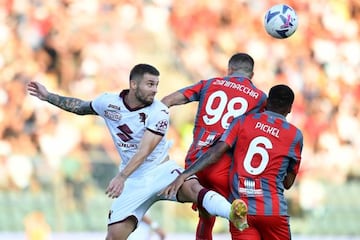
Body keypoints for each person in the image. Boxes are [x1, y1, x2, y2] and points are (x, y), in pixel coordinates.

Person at [27, 63, 248, 240]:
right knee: (114, 236)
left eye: (157, 85)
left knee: (192, 187)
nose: (155, 90)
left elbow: (145, 150)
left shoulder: (159, 111)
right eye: (150, 84)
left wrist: (121, 176)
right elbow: (81, 107)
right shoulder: (108, 103)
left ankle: (232, 212)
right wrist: (48, 97)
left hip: (160, 170)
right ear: (133, 84)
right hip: (133, 181)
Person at [162, 84, 303, 240]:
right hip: (273, 211)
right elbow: (288, 183)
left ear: (267, 102)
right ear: (290, 108)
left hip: (240, 209)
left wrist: (186, 174)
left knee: (206, 215)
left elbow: (216, 152)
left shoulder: (242, 122)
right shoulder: (295, 135)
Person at [161, 52, 267, 239]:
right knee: (237, 215)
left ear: (229, 69)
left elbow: (167, 101)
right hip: (223, 165)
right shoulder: (259, 98)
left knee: (206, 216)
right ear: (252, 75)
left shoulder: (209, 84)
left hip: (195, 161)